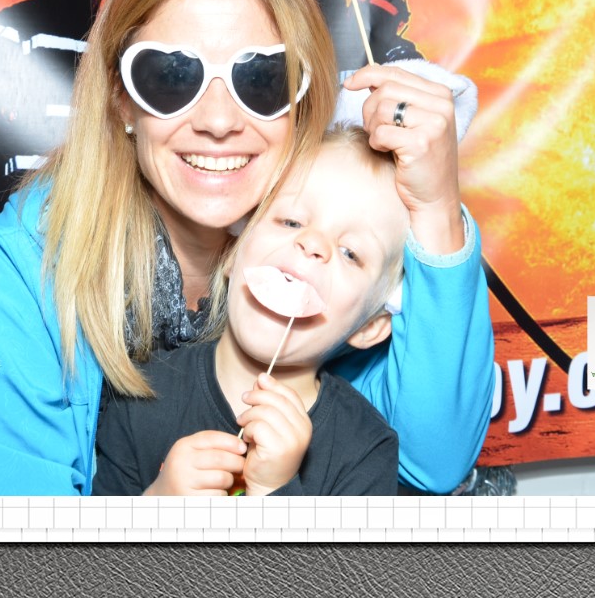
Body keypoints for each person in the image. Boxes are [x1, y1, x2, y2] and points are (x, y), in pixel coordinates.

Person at [0, 0, 493, 496]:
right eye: (172, 76)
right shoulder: (14, 276)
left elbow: (432, 462)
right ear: (123, 101)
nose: (219, 121)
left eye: (261, 80)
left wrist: (437, 209)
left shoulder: (319, 271)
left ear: (300, 106)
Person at [92, 127, 409, 497]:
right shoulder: (139, 393)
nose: (312, 244)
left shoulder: (366, 451)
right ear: (232, 253)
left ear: (370, 327)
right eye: (291, 222)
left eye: (351, 252)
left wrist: (274, 490)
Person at [0, 0, 106, 215]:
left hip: (18, 177)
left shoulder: (10, 22)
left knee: (10, 240)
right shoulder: (101, 36)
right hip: (81, 178)